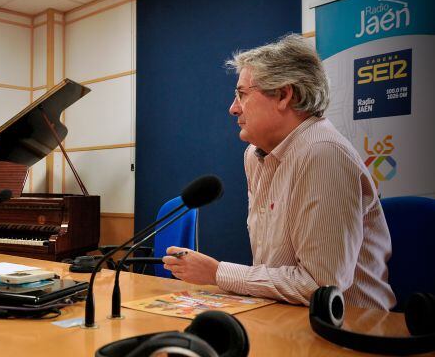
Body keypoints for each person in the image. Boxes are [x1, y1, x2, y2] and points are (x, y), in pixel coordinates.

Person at [162, 34, 396, 310]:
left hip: (352, 329)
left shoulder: (324, 153)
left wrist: (218, 273)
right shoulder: (254, 155)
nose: (233, 107)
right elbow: (272, 267)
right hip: (285, 315)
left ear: (284, 95)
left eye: (242, 94)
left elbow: (321, 286)